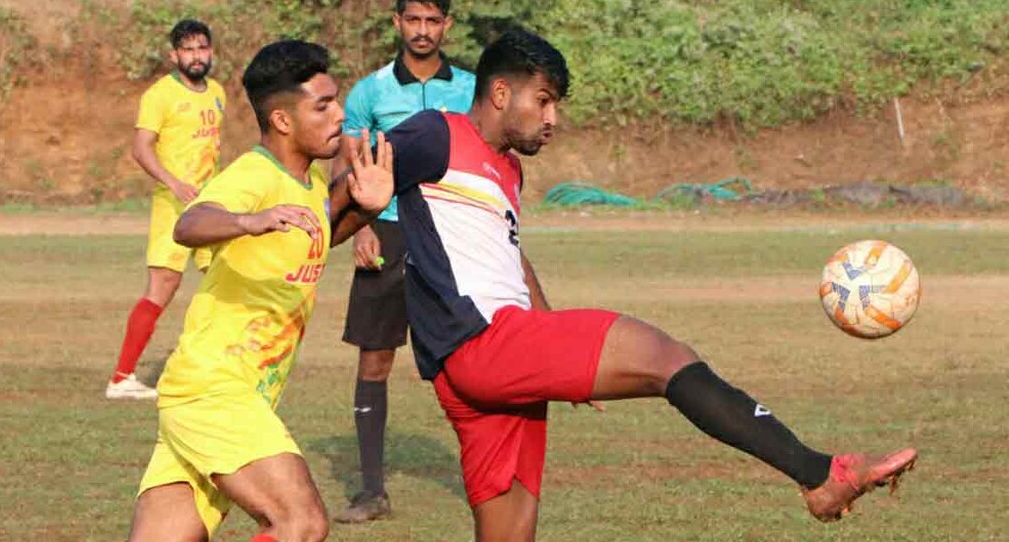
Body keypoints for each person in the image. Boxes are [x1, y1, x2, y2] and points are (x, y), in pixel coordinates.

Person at [332, 29, 918, 540]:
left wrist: (552, 334)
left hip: (493, 367)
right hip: (484, 344)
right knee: (668, 358)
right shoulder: (436, 133)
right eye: (544, 101)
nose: (552, 119)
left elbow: (509, 257)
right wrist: (323, 226)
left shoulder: (507, 167)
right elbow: (354, 195)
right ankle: (822, 476)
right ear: (501, 92)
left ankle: (822, 478)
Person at [126, 39, 394, 542]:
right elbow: (191, 223)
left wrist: (367, 210)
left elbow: (317, 234)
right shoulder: (253, 176)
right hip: (215, 390)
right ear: (283, 121)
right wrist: (249, 220)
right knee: (302, 524)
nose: (339, 114)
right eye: (323, 105)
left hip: (215, 395)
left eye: (337, 100)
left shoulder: (310, 184)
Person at [331, 0, 476, 524]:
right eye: (412, 20)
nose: (422, 30)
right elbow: (348, 165)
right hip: (387, 232)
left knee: (473, 354)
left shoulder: (470, 88)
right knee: (375, 357)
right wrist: (360, 225)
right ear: (397, 22)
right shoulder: (369, 92)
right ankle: (371, 492)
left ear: (447, 26)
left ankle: (487, 480)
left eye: (432, 21)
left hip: (451, 233)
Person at [107, 19, 226, 399]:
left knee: (223, 282)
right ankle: (122, 378)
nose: (196, 56)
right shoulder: (160, 95)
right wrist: (174, 182)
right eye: (188, 50)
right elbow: (141, 149)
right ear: (174, 55)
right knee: (163, 286)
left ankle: (211, 370)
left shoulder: (218, 93)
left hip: (209, 208)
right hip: (173, 207)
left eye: (202, 48)